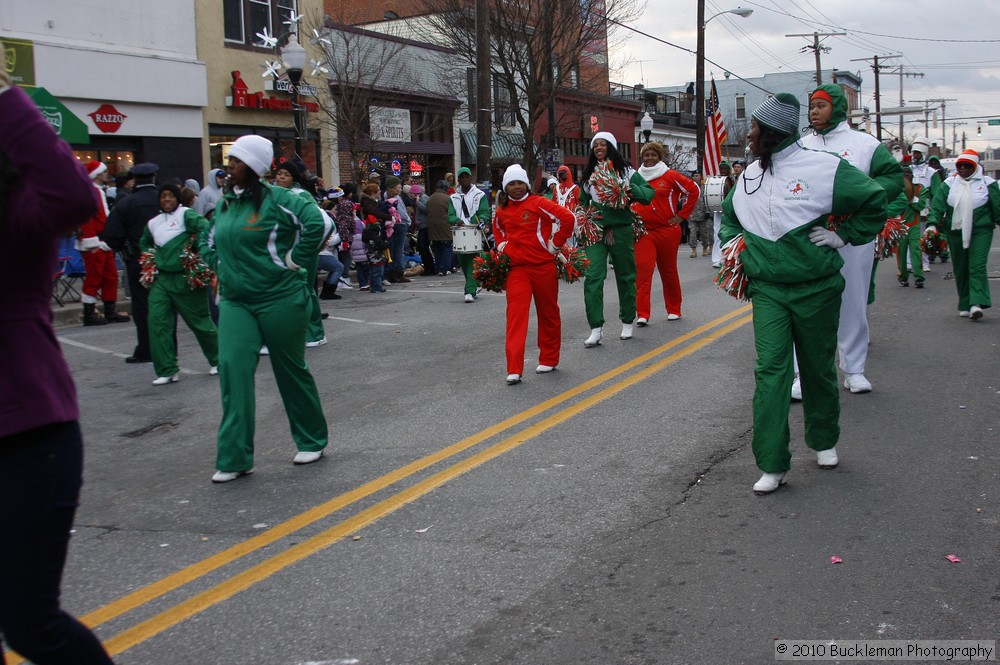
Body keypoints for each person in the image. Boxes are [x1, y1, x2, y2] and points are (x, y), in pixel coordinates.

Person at [0, 69, 117, 665]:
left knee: (29, 624)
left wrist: (3, 98)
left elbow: (74, 197)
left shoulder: (20, 213)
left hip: (26, 437)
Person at [719, 93, 885, 495]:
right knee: (771, 373)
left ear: (772, 133)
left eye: (756, 128)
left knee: (816, 368)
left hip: (817, 288)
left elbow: (875, 200)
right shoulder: (749, 176)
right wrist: (736, 247)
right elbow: (729, 218)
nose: (750, 134)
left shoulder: (824, 168)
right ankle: (773, 463)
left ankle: (824, 439)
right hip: (769, 292)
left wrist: (841, 236)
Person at [199, 134, 329, 483]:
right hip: (236, 301)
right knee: (232, 371)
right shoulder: (226, 204)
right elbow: (207, 239)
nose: (229, 168)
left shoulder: (280, 199)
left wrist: (294, 262)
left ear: (255, 167)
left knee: (290, 370)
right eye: (229, 162)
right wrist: (221, 266)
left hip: (280, 298)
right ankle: (234, 457)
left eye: (237, 162)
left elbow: (318, 224)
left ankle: (312, 439)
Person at [798, 84, 904, 395]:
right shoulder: (802, 145)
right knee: (808, 305)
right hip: (811, 236)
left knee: (852, 300)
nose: (814, 111)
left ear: (838, 108)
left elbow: (893, 179)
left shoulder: (864, 145)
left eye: (821, 106)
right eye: (812, 106)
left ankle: (854, 369)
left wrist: (858, 197)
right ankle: (804, 375)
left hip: (852, 235)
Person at [493, 164, 575, 385]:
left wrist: (555, 245)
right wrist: (502, 247)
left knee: (548, 313)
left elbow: (567, 218)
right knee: (515, 317)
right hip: (518, 270)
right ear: (506, 187)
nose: (516, 187)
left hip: (543, 267)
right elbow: (498, 230)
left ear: (527, 185)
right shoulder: (502, 208)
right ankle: (514, 368)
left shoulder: (538, 203)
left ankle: (549, 358)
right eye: (512, 183)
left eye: (520, 183)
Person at [578, 131, 654, 346]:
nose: (598, 148)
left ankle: (628, 321)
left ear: (611, 147)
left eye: (603, 144)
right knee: (593, 277)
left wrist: (626, 189)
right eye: (595, 146)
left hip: (621, 229)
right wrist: (583, 219)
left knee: (625, 275)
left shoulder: (627, 172)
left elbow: (648, 195)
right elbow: (582, 202)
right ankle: (595, 327)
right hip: (596, 231)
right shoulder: (589, 175)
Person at [139, 183, 219, 385]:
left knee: (200, 322)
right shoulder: (153, 223)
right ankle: (167, 369)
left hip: (186, 277)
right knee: (157, 322)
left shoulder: (187, 215)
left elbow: (206, 229)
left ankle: (219, 360)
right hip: (162, 279)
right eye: (163, 196)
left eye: (170, 196)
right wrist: (151, 259)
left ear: (177, 198)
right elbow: (144, 243)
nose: (167, 200)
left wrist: (192, 249)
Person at [631, 141, 700, 325]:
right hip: (643, 232)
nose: (650, 158)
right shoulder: (635, 177)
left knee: (668, 271)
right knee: (643, 271)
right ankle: (643, 314)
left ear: (659, 156)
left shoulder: (670, 176)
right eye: (646, 155)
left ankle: (674, 309)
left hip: (668, 231)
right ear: (642, 157)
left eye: (653, 154)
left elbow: (693, 190)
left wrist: (681, 216)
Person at [927, 149, 1000, 321]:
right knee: (960, 267)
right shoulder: (950, 184)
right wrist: (932, 224)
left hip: (981, 230)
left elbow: (997, 207)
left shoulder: (988, 184)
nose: (963, 169)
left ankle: (977, 303)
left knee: (977, 265)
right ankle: (965, 302)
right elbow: (937, 205)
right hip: (955, 230)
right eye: (960, 166)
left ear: (976, 166)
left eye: (968, 166)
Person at [103, 161, 162, 363]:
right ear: (153, 178)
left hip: (139, 260)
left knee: (142, 306)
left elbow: (111, 235)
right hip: (166, 259)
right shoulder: (165, 199)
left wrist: (125, 246)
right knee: (168, 305)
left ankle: (146, 349)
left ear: (135, 180)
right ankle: (168, 349)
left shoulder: (126, 203)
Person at [274, 160, 333, 348]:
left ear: (294, 178)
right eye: (279, 173)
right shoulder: (269, 195)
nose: (282, 177)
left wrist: (306, 251)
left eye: (287, 174)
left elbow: (324, 223)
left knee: (305, 292)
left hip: (299, 254)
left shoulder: (301, 195)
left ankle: (315, 333)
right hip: (276, 255)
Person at [78, 159, 130, 326]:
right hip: (95, 243)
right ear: (97, 174)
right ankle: (89, 312)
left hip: (103, 242)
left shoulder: (98, 191)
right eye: (105, 172)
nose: (108, 175)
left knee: (111, 277)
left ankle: (109, 310)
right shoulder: (90, 192)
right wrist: (91, 242)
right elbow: (86, 219)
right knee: (94, 278)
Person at [448, 167, 490, 302]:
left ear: (471, 178)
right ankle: (475, 284)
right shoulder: (453, 197)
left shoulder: (479, 195)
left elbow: (484, 211)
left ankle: (469, 291)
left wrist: (479, 220)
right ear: (459, 180)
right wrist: (456, 220)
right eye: (462, 177)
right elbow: (450, 215)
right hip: (459, 231)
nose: (465, 179)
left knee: (472, 261)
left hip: (474, 230)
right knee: (464, 262)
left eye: (467, 177)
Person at [910, 137, 943, 271]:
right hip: (909, 209)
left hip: (925, 209)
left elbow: (937, 193)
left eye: (918, 153)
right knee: (908, 238)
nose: (915, 155)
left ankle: (924, 263)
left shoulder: (932, 172)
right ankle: (909, 263)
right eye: (914, 153)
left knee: (923, 238)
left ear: (923, 154)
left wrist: (936, 210)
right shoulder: (907, 169)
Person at [895, 166, 926, 288]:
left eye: (909, 174)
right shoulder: (897, 189)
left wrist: (911, 198)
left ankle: (919, 278)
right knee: (901, 252)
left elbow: (921, 205)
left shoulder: (919, 189)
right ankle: (903, 277)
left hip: (914, 224)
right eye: (904, 174)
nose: (907, 176)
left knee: (915, 250)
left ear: (912, 176)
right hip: (900, 225)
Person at [359, 182, 390, 293]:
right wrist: (389, 216)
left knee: (377, 264)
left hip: (374, 234)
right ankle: (376, 285)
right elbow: (376, 213)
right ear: (373, 193)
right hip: (373, 237)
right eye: (378, 190)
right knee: (376, 265)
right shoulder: (368, 204)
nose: (380, 192)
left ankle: (375, 284)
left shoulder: (373, 203)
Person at [317, 187, 347, 300]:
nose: (336, 212)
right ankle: (328, 292)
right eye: (335, 209)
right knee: (338, 267)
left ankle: (327, 291)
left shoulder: (327, 218)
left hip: (324, 251)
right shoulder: (328, 220)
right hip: (323, 252)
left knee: (336, 267)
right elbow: (329, 240)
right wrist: (341, 235)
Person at [384, 176, 412, 283]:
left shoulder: (385, 195)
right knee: (400, 249)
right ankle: (399, 271)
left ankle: (391, 272)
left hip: (391, 224)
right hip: (400, 223)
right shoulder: (396, 198)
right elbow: (401, 212)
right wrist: (408, 220)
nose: (400, 186)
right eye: (398, 184)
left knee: (392, 249)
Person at [709, 161, 735, 268]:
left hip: (730, 210)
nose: (723, 171)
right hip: (719, 210)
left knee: (730, 234)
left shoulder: (733, 180)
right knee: (717, 232)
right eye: (721, 169)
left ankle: (728, 257)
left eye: (725, 169)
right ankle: (717, 258)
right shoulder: (716, 180)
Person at [427, 179, 454, 276]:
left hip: (432, 227)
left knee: (437, 248)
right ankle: (444, 268)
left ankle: (438, 267)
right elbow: (453, 212)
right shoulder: (447, 198)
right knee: (446, 247)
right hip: (444, 226)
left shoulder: (431, 198)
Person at [687, 171, 713, 258]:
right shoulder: (689, 188)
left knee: (704, 233)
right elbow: (685, 201)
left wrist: (708, 212)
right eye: (694, 176)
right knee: (692, 233)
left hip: (703, 214)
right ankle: (693, 249)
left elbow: (708, 200)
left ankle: (705, 248)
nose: (695, 177)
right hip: (692, 214)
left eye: (697, 176)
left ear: (700, 177)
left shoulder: (705, 188)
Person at [411, 184, 435, 275]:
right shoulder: (419, 199)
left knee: (424, 247)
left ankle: (430, 267)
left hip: (425, 226)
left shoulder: (423, 198)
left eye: (412, 193)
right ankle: (427, 267)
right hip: (421, 226)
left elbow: (426, 210)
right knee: (421, 247)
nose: (411, 196)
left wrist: (418, 203)